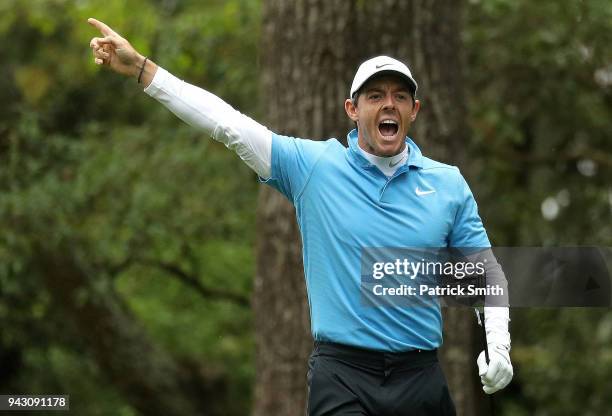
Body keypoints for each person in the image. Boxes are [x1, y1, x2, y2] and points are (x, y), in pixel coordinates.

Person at [88, 17, 513, 415]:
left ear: (414, 111)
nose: (389, 105)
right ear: (352, 109)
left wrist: (500, 344)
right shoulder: (314, 167)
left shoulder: (448, 184)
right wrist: (144, 70)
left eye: (400, 96)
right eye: (376, 96)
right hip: (344, 374)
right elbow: (228, 125)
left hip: (420, 376)